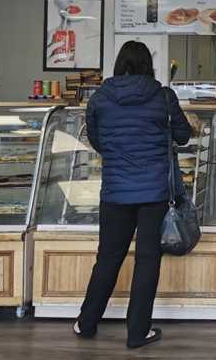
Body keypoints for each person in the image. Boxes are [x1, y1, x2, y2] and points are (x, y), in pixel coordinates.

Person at [75, 41, 190, 349]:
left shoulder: (100, 98)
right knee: (147, 261)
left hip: (115, 191)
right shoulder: (163, 97)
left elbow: (98, 142)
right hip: (154, 192)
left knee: (108, 258)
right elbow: (183, 135)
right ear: (147, 66)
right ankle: (138, 332)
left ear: (119, 64)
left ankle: (86, 323)